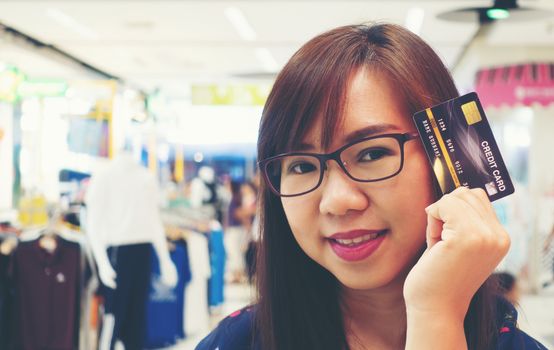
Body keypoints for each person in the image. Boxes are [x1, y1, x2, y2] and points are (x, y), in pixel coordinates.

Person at [197, 23, 547, 350]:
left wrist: (435, 314)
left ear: (444, 160)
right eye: (301, 165)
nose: (337, 202)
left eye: (371, 153)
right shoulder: (237, 342)